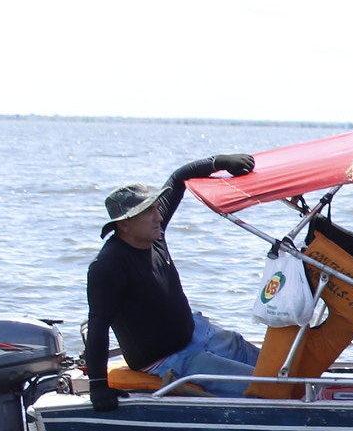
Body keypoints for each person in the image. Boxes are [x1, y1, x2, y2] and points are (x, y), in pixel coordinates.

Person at [84, 153, 258, 411]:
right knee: (265, 385)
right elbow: (98, 328)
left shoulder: (152, 233)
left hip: (196, 331)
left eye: (156, 208)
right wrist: (98, 386)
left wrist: (220, 162)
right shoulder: (108, 266)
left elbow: (178, 178)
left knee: (275, 364)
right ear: (125, 224)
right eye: (148, 212)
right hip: (168, 360)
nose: (158, 216)